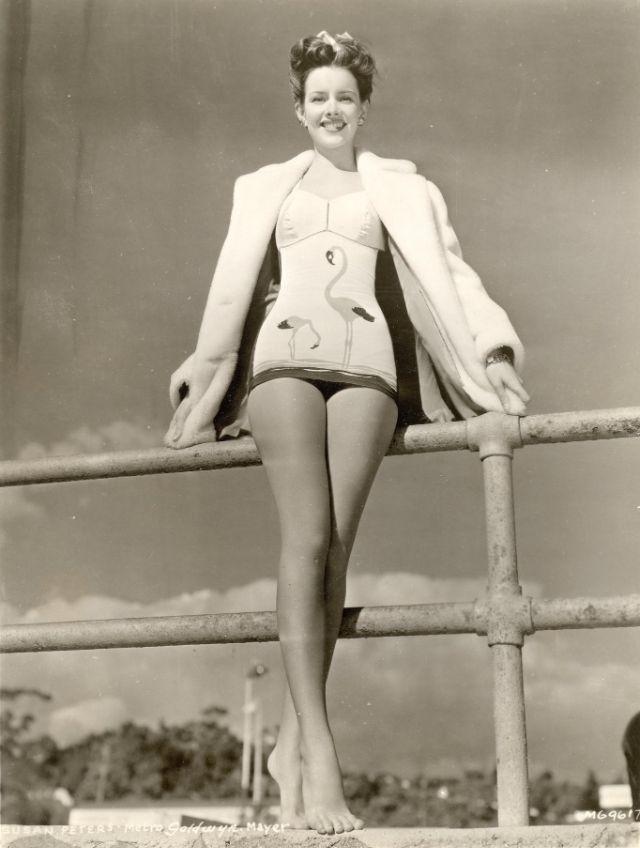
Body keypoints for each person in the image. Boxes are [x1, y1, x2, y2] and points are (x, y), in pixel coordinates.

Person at [165, 31, 530, 834]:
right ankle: (320, 755)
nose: (331, 109)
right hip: (282, 362)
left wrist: (495, 352)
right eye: (318, 98)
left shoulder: (405, 189)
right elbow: (230, 288)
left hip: (368, 367)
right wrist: (202, 363)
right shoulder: (262, 187)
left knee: (335, 548)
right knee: (304, 538)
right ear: (298, 110)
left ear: (364, 109)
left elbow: (455, 277)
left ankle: (292, 743)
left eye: (344, 97)